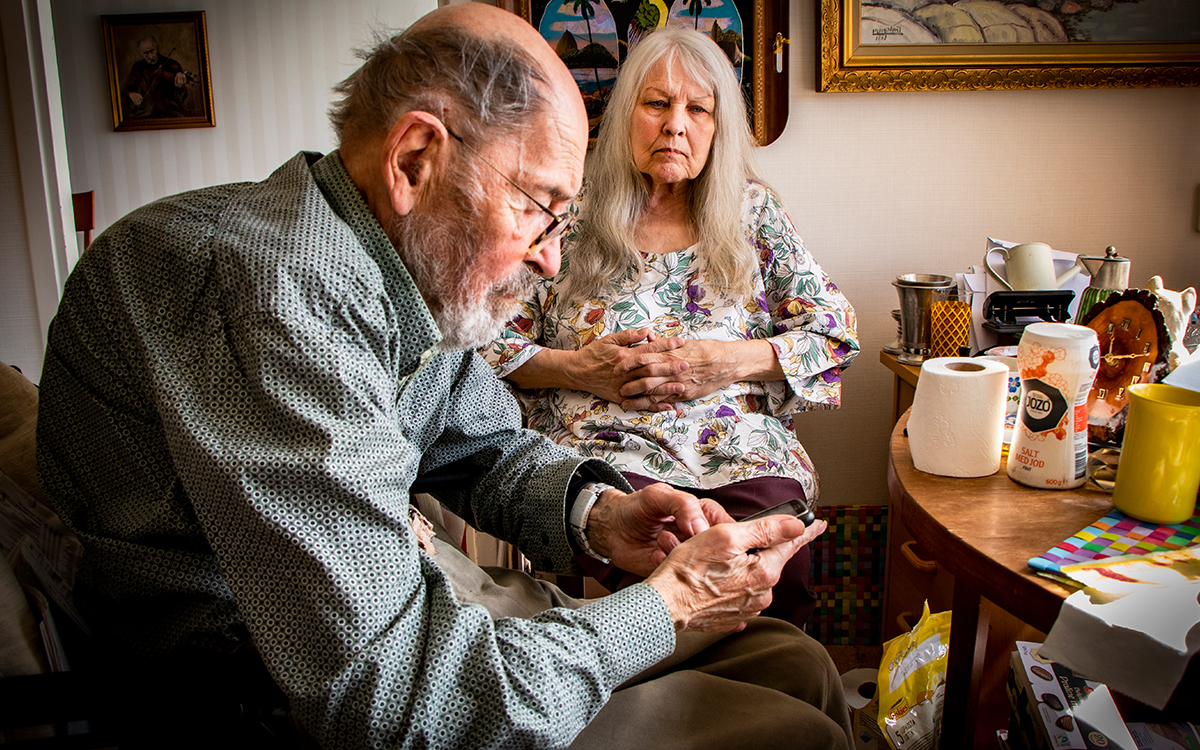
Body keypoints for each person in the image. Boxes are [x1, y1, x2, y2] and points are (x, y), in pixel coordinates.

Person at [37, 5, 852, 749]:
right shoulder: (275, 293)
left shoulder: (392, 264)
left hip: (415, 616)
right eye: (539, 206)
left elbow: (484, 443)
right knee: (793, 729)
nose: (552, 257)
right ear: (417, 159)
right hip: (279, 691)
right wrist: (665, 607)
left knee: (793, 662)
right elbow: (401, 704)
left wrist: (601, 515)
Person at [485, 28, 858, 629]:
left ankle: (768, 711)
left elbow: (835, 332)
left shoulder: (753, 214)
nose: (675, 124)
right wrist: (582, 370)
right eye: (656, 103)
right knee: (654, 561)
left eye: (698, 109)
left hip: (739, 454)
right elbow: (487, 342)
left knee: (771, 567)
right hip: (608, 452)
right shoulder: (568, 214)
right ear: (627, 113)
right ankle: (647, 712)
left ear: (718, 128)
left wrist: (728, 361)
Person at [121, 34, 190, 118]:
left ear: (156, 47)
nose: (150, 56)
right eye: (145, 53)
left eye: (151, 51)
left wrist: (180, 87)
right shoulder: (138, 67)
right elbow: (125, 89)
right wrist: (131, 93)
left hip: (169, 112)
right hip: (145, 114)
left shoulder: (171, 65)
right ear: (140, 53)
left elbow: (182, 97)